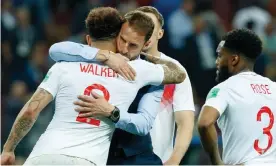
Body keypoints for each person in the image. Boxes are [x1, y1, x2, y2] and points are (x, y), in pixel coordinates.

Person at [1, 7, 185, 165]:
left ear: (89, 40)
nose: (126, 48)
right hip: (88, 160)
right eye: (123, 40)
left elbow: (30, 111)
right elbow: (178, 74)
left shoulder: (63, 65)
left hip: (43, 156)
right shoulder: (138, 70)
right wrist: (108, 56)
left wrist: (8, 149)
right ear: (117, 37)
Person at [50, 6, 195, 165]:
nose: (125, 48)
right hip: (95, 153)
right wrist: (104, 56)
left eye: (133, 44)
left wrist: (111, 111)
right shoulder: (96, 56)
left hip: (137, 156)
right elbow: (56, 49)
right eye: (123, 39)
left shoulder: (153, 73)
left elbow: (146, 123)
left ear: (148, 40)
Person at [197, 29, 276, 165]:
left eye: (220, 56)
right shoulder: (273, 87)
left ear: (234, 59)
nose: (216, 62)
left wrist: (217, 161)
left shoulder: (225, 89)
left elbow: (204, 123)